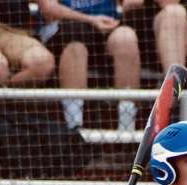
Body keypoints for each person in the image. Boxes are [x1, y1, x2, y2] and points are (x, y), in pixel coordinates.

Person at [37, 0, 141, 131]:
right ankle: (75, 129)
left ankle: (127, 127)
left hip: (107, 25)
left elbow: (132, 3)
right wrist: (91, 19)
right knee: (76, 44)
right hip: (66, 27)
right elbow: (49, 10)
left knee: (126, 37)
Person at [123, 0, 187, 77]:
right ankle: (174, 87)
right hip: (148, 34)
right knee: (174, 13)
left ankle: (174, 86)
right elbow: (128, 4)